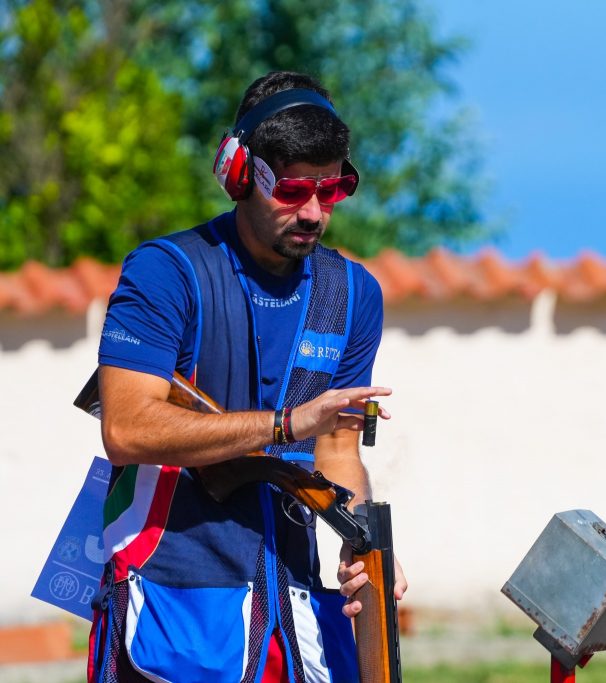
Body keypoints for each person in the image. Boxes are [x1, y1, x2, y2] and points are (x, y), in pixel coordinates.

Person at [88, 71, 406, 683]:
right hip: (170, 600)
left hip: (294, 603)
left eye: (332, 189)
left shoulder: (353, 293)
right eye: (291, 191)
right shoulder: (166, 272)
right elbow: (125, 428)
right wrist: (287, 423)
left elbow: (336, 450)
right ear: (240, 171)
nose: (314, 212)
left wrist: (361, 545)